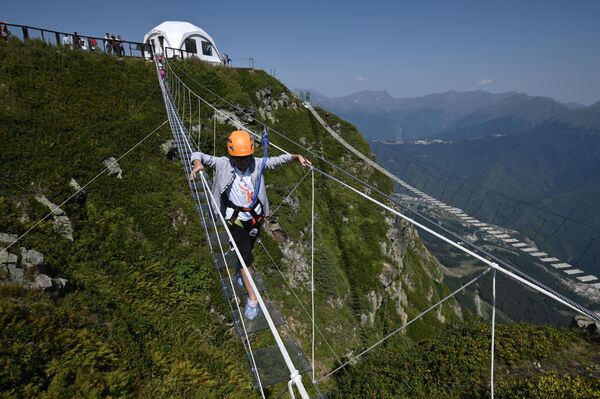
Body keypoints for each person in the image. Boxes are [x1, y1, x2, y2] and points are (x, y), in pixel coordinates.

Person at [189, 130, 311, 320]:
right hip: (234, 220)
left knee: (246, 251)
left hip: (255, 218)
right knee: (246, 258)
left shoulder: (256, 165)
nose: (244, 161)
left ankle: (240, 270)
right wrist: (198, 164)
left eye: (247, 157)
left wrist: (297, 157)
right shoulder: (223, 164)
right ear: (231, 155)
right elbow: (198, 155)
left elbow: (277, 160)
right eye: (239, 157)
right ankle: (252, 298)